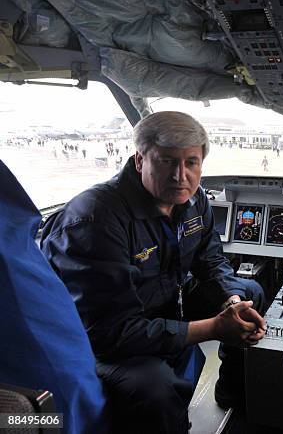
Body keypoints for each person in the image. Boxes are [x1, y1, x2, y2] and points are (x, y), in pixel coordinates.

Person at [41, 111, 267, 434]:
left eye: (192, 162)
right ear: (139, 160)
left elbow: (211, 261)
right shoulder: (95, 219)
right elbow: (113, 332)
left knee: (249, 293)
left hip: (163, 305)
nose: (180, 175)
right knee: (155, 387)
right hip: (103, 341)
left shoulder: (193, 201)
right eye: (166, 161)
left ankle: (231, 391)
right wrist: (215, 327)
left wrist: (231, 303)